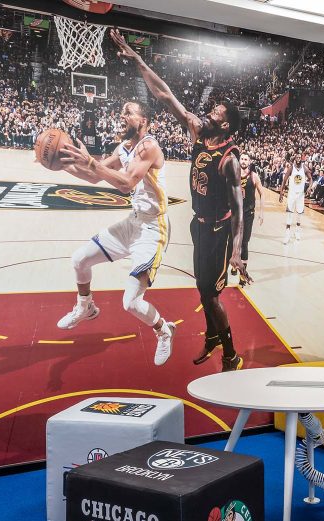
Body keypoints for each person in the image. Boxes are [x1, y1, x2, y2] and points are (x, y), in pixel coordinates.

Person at [110, 28, 248, 372]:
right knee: (202, 289)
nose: (209, 113)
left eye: (216, 112)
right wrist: (138, 59)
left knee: (212, 294)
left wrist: (238, 251)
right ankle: (213, 337)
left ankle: (230, 353)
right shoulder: (199, 132)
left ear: (226, 122)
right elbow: (165, 95)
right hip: (198, 225)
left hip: (219, 231)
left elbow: (239, 209)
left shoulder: (230, 158)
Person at [54, 101, 177, 366]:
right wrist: (61, 163)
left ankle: (163, 331)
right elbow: (94, 175)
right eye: (122, 111)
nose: (122, 116)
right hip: (133, 223)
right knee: (79, 260)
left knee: (131, 302)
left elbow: (126, 183)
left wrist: (90, 162)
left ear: (143, 120)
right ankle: (85, 307)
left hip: (154, 229)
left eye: (129, 112)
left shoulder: (149, 146)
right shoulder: (123, 148)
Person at [235, 151, 263, 284]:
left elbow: (262, 194)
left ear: (249, 162)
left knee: (244, 243)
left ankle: (243, 274)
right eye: (242, 159)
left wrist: (262, 213)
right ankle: (234, 263)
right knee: (233, 241)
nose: (244, 161)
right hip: (235, 212)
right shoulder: (234, 175)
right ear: (239, 160)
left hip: (248, 213)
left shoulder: (254, 176)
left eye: (246, 159)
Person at [280, 152, 310, 243]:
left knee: (300, 214)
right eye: (296, 157)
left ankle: (297, 231)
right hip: (292, 193)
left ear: (301, 158)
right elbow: (284, 180)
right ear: (294, 158)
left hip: (301, 194)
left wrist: (309, 187)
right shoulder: (291, 167)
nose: (298, 158)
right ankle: (287, 234)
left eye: (299, 157)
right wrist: (281, 192)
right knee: (289, 213)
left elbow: (311, 179)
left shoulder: (304, 168)